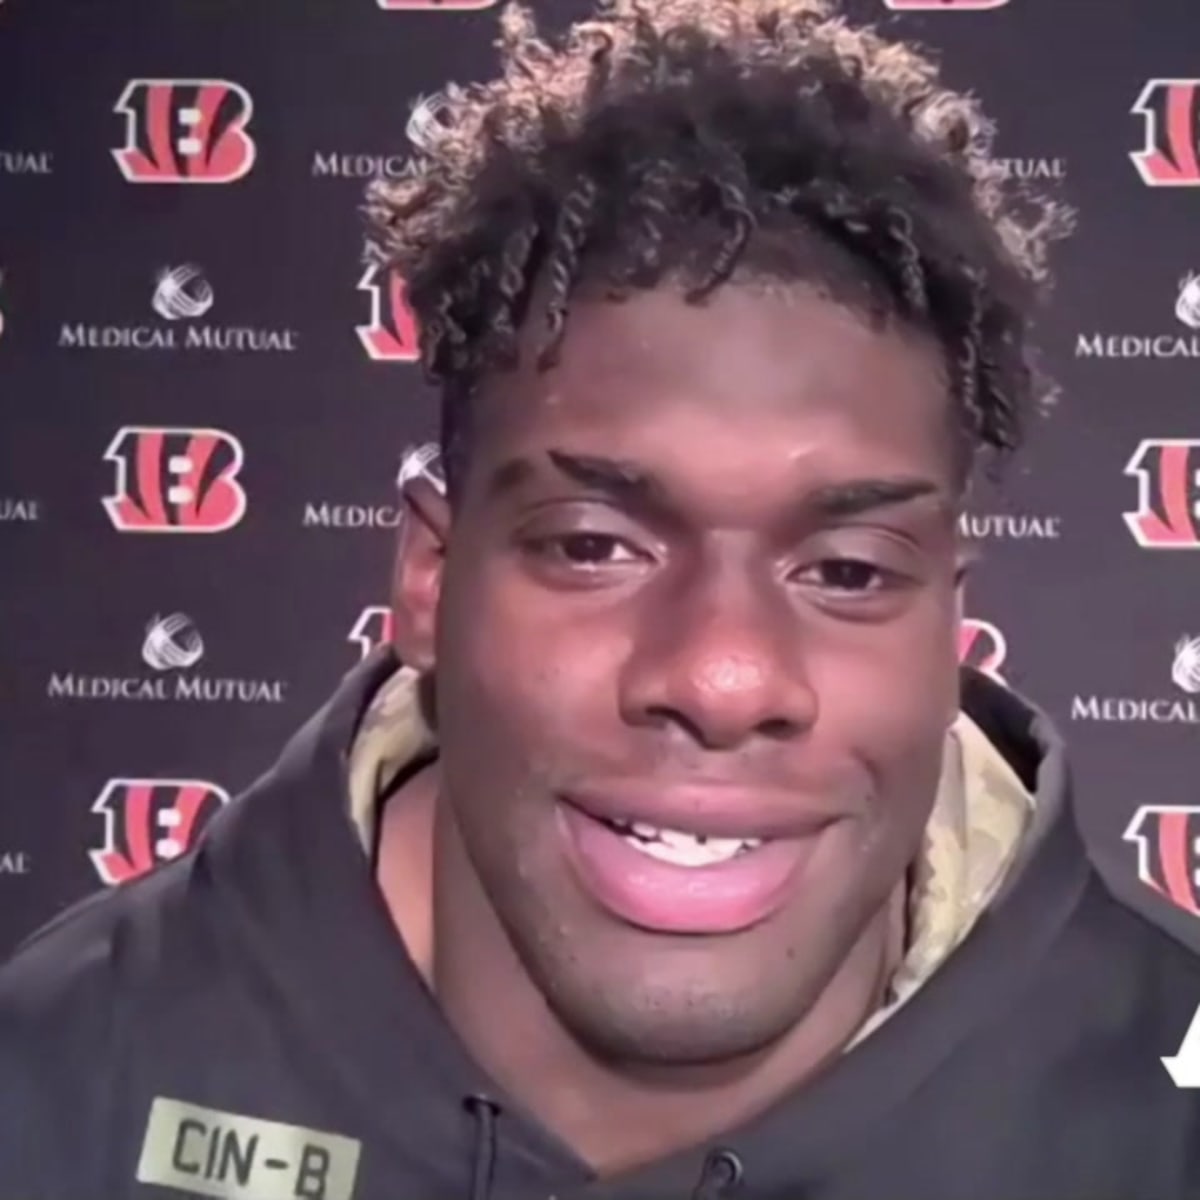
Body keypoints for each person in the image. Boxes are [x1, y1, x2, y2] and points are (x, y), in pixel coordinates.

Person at [3, 1, 1200, 1197]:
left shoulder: (1162, 1118)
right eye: (595, 546)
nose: (724, 679)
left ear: (949, 624)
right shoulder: (63, 1078)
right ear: (428, 577)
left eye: (846, 571)